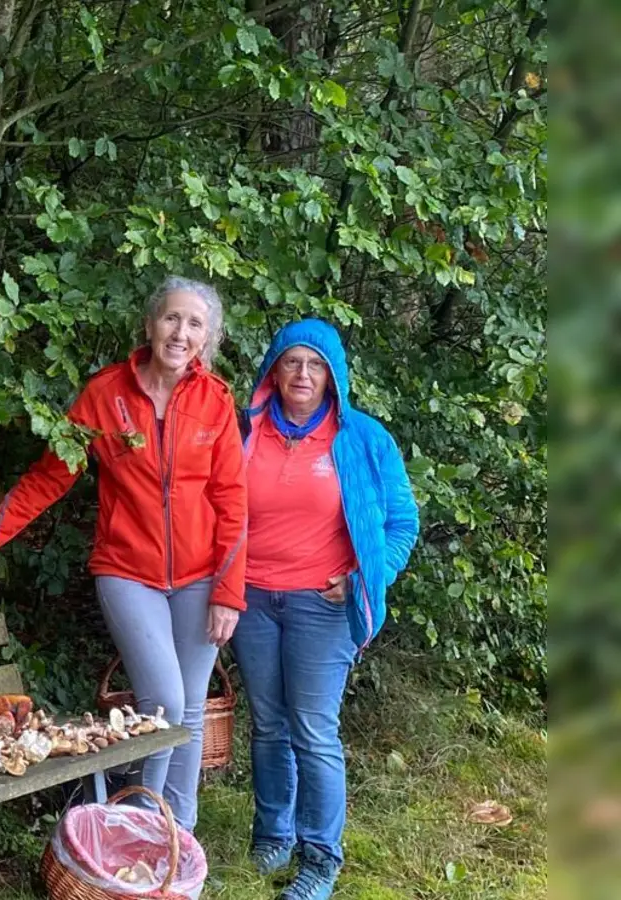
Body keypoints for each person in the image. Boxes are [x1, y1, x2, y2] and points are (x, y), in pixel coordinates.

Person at [0, 275, 246, 831]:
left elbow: (232, 500)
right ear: (150, 325)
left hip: (202, 577)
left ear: (208, 338)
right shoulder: (106, 395)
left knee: (190, 709)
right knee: (165, 702)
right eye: (171, 318)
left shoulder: (216, 401)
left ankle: (179, 837)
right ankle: (141, 826)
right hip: (128, 572)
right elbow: (50, 476)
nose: (180, 332)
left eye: (195, 324)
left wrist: (228, 592)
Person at [230, 319, 419, 900]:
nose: (303, 374)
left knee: (312, 731)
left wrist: (368, 576)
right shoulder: (244, 430)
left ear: (334, 376)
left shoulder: (363, 438)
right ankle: (273, 834)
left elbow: (401, 522)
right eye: (292, 362)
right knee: (268, 725)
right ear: (273, 369)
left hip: (323, 605)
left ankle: (320, 857)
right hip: (252, 600)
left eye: (316, 365)